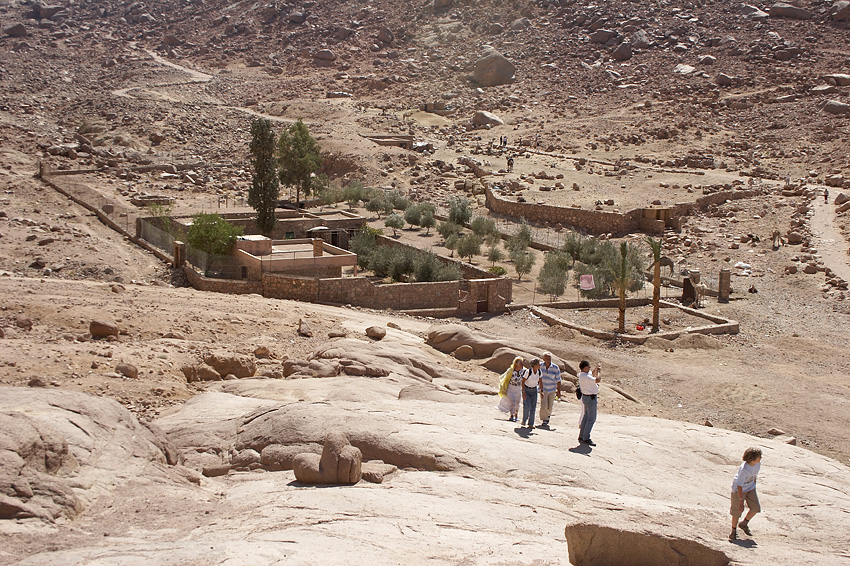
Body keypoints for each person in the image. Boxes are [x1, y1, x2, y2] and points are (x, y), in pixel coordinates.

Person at [729, 447, 762, 541]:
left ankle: (744, 523)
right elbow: (739, 485)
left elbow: (755, 476)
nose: (761, 458)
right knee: (737, 511)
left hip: (750, 487)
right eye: (759, 456)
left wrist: (753, 487)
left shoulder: (758, 464)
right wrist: (740, 502)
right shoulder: (744, 469)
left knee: (755, 508)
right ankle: (733, 531)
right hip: (739, 490)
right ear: (753, 458)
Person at [577, 360, 601, 445]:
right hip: (590, 398)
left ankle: (582, 436)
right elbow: (597, 379)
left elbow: (591, 374)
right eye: (588, 367)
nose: (589, 368)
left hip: (586, 397)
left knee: (586, 417)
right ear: (584, 368)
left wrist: (595, 369)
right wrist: (598, 372)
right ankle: (586, 437)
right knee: (591, 419)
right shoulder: (585, 377)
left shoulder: (583, 375)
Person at [498, 357, 525, 422]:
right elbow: (505, 378)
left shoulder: (524, 371)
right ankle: (511, 416)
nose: (522, 364)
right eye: (521, 363)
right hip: (511, 388)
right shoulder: (511, 370)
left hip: (518, 388)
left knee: (517, 402)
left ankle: (516, 415)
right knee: (512, 402)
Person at [538, 352, 562, 427]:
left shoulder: (555, 367)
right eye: (547, 358)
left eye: (549, 358)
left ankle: (548, 416)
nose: (548, 360)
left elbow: (558, 380)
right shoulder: (540, 366)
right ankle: (544, 419)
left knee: (550, 405)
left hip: (552, 389)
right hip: (543, 389)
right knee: (544, 405)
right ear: (543, 359)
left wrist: (559, 391)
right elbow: (538, 377)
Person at [522, 358, 542, 429]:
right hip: (527, 389)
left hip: (534, 390)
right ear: (534, 365)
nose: (540, 365)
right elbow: (523, 381)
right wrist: (523, 392)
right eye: (538, 364)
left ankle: (531, 423)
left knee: (533, 407)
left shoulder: (539, 371)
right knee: (527, 406)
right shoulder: (528, 372)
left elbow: (540, 380)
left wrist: (541, 390)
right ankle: (524, 420)